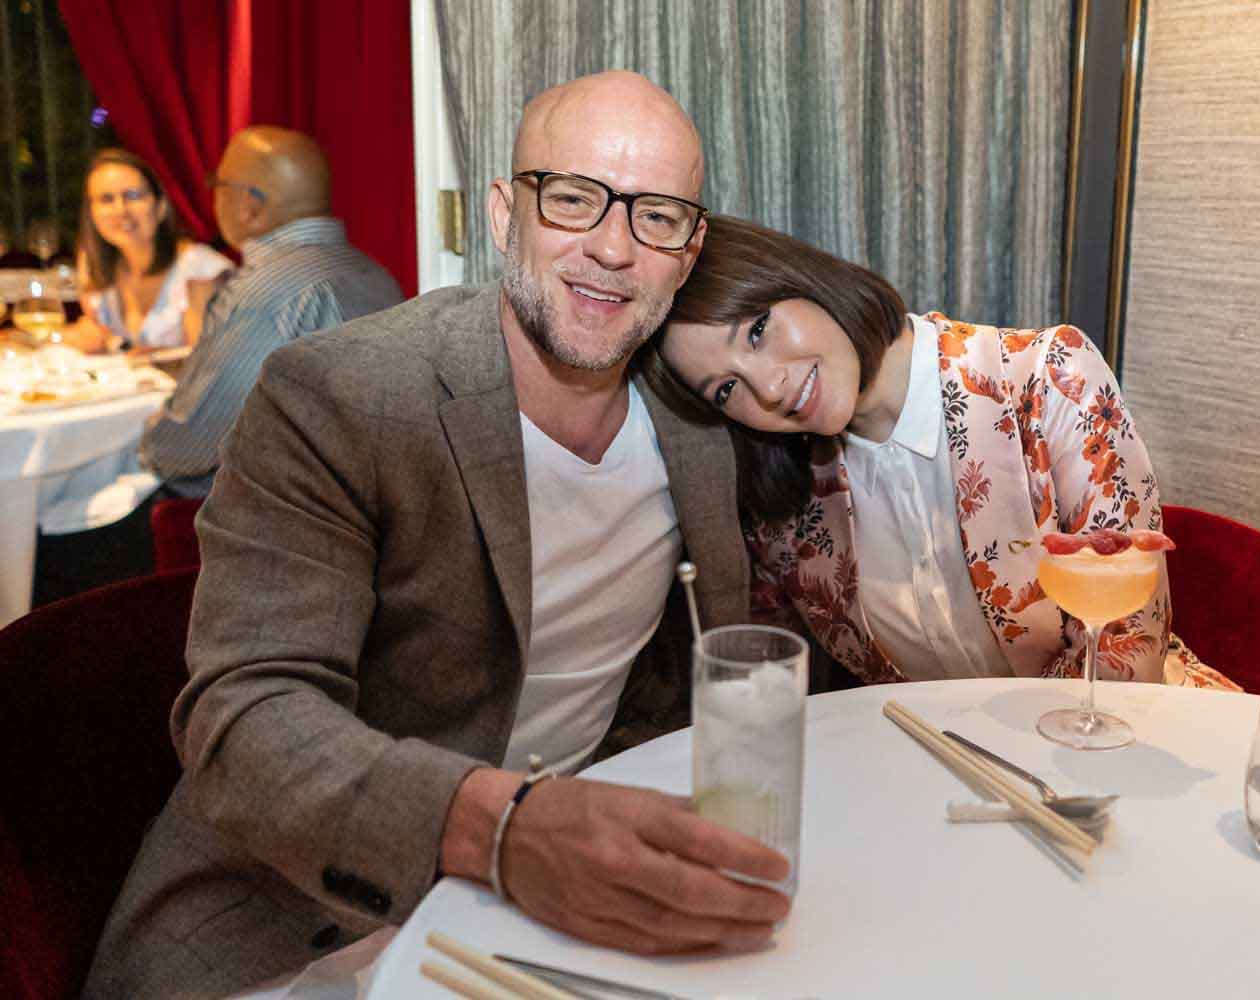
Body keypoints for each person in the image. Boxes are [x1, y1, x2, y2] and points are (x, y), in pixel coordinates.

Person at [84, 73, 787, 998]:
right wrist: (500, 830)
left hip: (560, 913)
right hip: (306, 917)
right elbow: (246, 718)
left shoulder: (703, 416)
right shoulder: (343, 397)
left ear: (689, 251)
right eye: (573, 199)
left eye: (655, 217)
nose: (613, 248)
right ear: (505, 213)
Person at [647, 215, 1238, 690]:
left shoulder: (1047, 379)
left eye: (756, 330)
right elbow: (771, 682)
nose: (768, 388)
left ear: (803, 280)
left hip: (1125, 748)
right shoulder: (787, 503)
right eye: (726, 389)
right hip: (942, 789)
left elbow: (1121, 664)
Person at [136, 125, 403, 498]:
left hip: (287, 520)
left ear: (251, 206)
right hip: (369, 502)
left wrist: (145, 443)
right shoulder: (375, 274)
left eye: (219, 184)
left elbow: (190, 448)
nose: (213, 196)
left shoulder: (263, 294)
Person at [66, 147, 233, 353]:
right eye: (106, 199)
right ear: (92, 214)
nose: (121, 210)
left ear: (160, 207)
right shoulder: (96, 267)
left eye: (133, 196)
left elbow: (211, 367)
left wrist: (122, 349)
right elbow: (97, 338)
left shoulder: (201, 270)